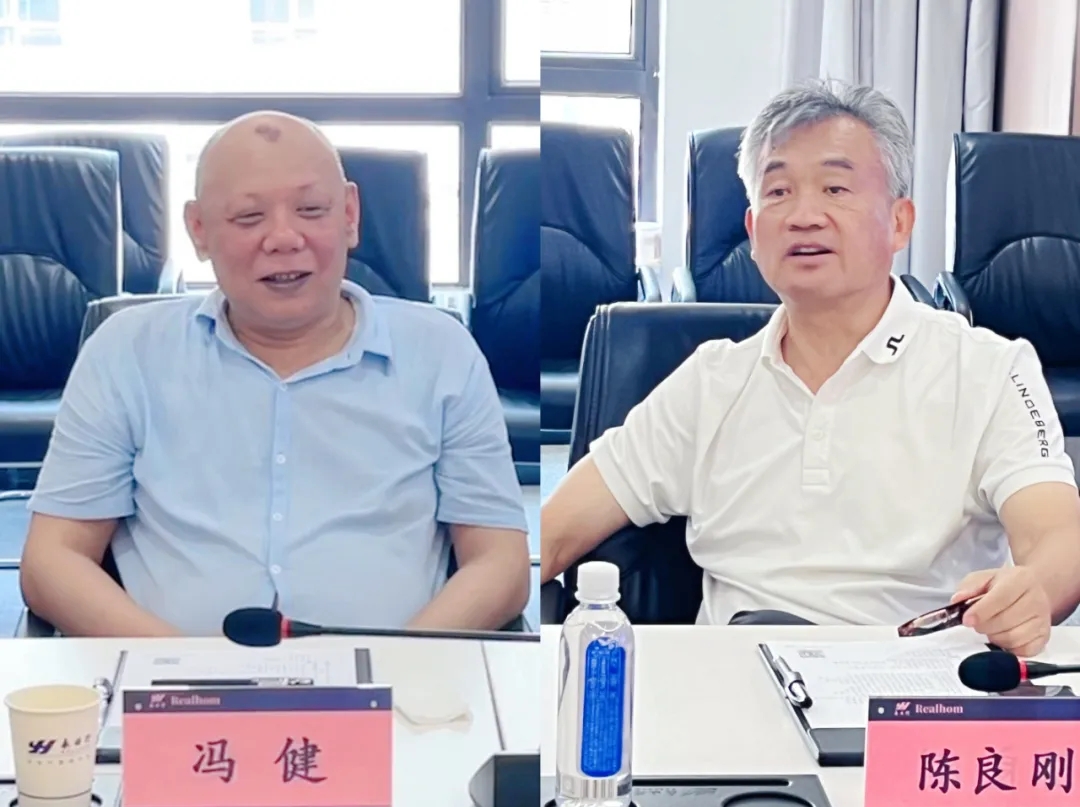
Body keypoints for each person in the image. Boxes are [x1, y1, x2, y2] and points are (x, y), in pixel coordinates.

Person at [541, 80, 1080, 657]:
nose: (804, 216)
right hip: (732, 681)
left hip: (915, 683)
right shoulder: (711, 381)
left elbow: (1058, 536)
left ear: (899, 222)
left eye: (835, 188)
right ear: (753, 233)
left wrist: (1034, 592)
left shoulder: (989, 369)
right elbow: (557, 529)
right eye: (778, 191)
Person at [20, 111, 530, 637]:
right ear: (199, 230)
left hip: (402, 679)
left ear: (349, 215)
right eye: (249, 217)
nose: (284, 238)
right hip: (168, 677)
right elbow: (53, 560)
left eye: (311, 210)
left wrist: (401, 664)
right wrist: (180, 666)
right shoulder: (127, 352)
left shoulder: (441, 352)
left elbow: (500, 562)